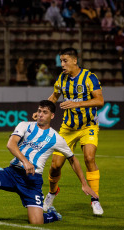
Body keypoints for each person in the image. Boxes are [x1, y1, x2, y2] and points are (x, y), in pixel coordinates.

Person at [0, 100, 98, 224]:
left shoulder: (56, 138)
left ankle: (53, 215)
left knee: (36, 222)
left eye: (45, 112)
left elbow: (73, 159)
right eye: (39, 111)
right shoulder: (25, 125)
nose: (40, 115)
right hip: (12, 173)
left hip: (32, 181)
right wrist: (25, 161)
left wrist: (84, 183)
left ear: (52, 116)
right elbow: (10, 144)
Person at [33, 48, 104, 216]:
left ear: (74, 60)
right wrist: (42, 111)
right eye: (61, 61)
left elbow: (99, 100)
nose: (62, 64)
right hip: (68, 128)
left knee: (89, 157)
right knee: (55, 166)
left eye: (65, 61)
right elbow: (54, 97)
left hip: (88, 126)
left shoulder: (89, 77)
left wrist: (76, 104)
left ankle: (95, 200)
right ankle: (52, 193)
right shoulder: (61, 79)